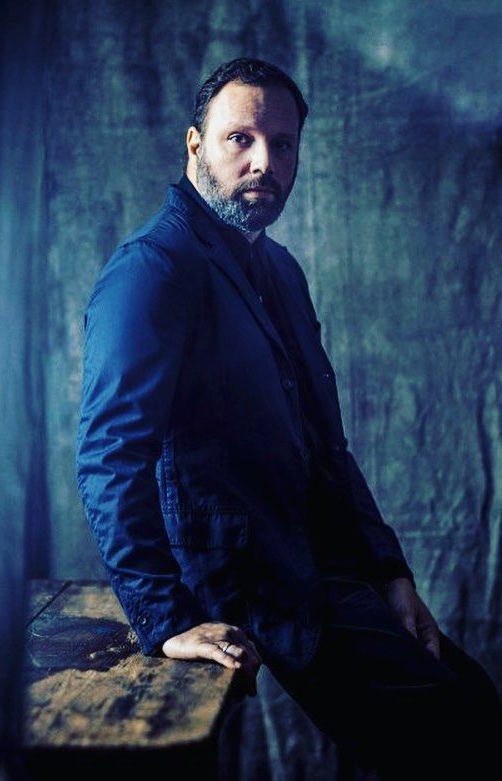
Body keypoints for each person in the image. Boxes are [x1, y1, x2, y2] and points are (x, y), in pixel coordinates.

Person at [76, 58, 502, 778]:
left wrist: (388, 570)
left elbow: (323, 444)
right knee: (453, 729)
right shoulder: (152, 268)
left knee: (471, 704)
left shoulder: (277, 268)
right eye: (239, 139)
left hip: (312, 558)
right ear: (193, 145)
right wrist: (167, 617)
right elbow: (108, 454)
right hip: (239, 577)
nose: (263, 162)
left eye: (282, 143)